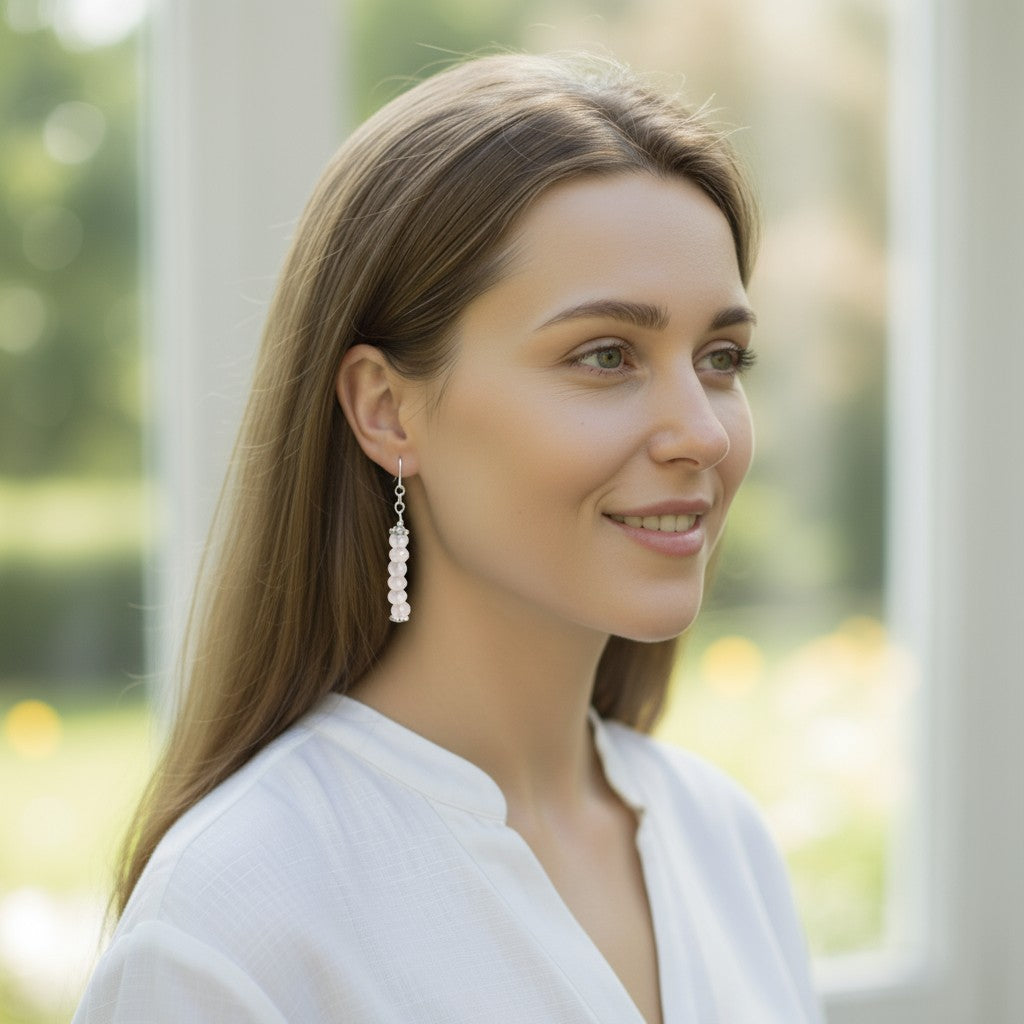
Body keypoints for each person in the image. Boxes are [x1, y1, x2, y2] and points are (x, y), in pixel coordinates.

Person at [73, 52, 823, 1023]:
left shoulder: (722, 839)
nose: (704, 432)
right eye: (605, 355)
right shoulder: (234, 920)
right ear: (386, 410)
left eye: (721, 358)